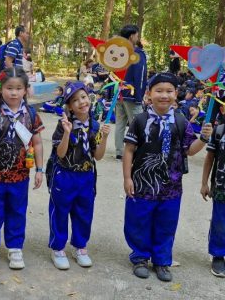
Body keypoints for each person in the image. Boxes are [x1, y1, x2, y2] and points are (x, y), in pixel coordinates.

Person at [122, 72, 213, 282]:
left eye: (169, 91)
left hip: (171, 187)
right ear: (149, 93)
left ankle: (162, 260)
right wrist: (127, 178)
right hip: (142, 185)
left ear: (176, 93)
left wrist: (203, 138)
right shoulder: (140, 120)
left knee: (166, 224)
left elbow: (189, 150)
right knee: (138, 221)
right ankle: (140, 257)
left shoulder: (181, 121)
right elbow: (129, 150)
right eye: (159, 91)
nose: (164, 95)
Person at [0, 67, 44, 271]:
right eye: (9, 88)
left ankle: (15, 248)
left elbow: (37, 143)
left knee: (17, 212)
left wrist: (40, 169)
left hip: (20, 176)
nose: (13, 92)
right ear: (0, 89)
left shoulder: (31, 114)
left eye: (18, 88)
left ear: (25, 90)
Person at [48, 81, 110, 270]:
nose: (81, 102)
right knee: (60, 211)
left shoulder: (94, 126)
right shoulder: (63, 125)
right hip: (64, 175)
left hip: (86, 177)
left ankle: (80, 246)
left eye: (83, 97)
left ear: (89, 98)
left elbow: (97, 156)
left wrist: (105, 138)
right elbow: (60, 153)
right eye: (75, 100)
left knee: (84, 212)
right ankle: (58, 248)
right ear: (69, 106)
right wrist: (67, 133)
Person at [114, 25, 148, 161]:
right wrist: (139, 96)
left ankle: (119, 151)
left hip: (119, 91)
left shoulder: (117, 51)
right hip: (132, 94)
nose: (138, 37)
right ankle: (137, 151)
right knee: (139, 124)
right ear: (131, 36)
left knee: (120, 123)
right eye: (137, 35)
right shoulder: (137, 54)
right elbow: (140, 76)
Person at [201, 120, 225, 277]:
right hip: (221, 188)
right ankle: (218, 254)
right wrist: (204, 183)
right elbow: (210, 158)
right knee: (220, 222)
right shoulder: (219, 131)